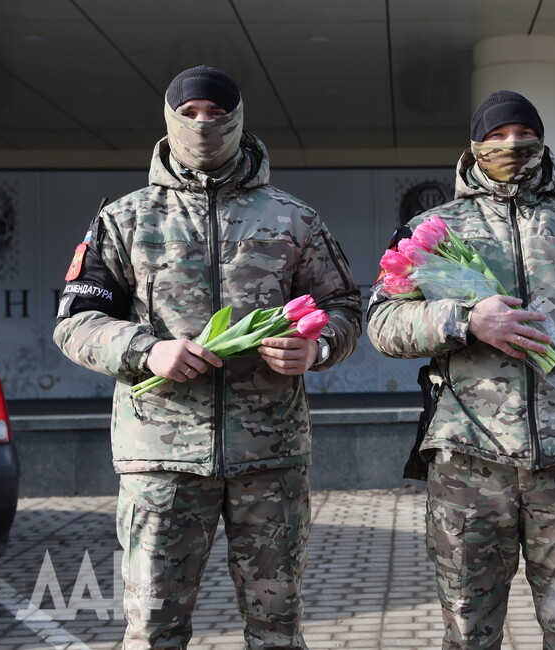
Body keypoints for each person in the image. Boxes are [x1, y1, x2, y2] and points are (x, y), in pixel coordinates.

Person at [53, 65, 362, 649]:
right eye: (189, 113)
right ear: (169, 121)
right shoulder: (125, 218)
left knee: (277, 628)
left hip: (269, 458)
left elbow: (345, 304)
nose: (203, 124)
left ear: (238, 121)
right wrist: (147, 350)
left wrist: (316, 347)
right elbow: (74, 325)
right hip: (161, 463)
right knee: (153, 631)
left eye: (216, 114)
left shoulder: (291, 218)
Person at [367, 89, 555, 649]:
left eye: (524, 133)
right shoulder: (435, 228)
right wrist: (464, 319)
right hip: (469, 467)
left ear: (542, 140)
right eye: (498, 135)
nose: (512, 144)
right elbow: (382, 323)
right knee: (469, 634)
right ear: (474, 146)